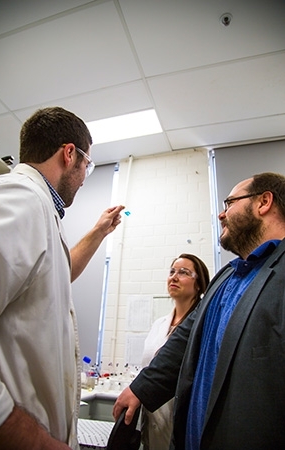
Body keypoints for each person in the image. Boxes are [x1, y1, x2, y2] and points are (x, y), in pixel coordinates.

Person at [0, 106, 124, 450]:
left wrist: (97, 232)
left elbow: (56, 276)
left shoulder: (40, 208)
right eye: (87, 165)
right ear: (69, 154)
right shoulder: (20, 199)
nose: (85, 175)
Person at [113, 172, 285, 450]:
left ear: (264, 202)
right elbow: (185, 339)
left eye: (230, 203)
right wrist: (141, 388)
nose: (221, 214)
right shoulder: (226, 276)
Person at [141, 253, 209, 450]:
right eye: (172, 272)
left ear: (199, 284)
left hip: (183, 419)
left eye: (184, 272)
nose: (174, 277)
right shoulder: (158, 324)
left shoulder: (202, 326)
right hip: (151, 418)